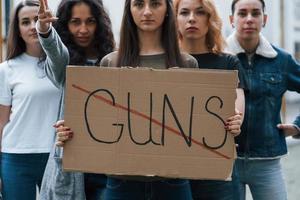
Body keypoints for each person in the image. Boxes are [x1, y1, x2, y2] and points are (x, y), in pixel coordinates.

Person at [57, 0, 198, 199]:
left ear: (167, 10)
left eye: (155, 4)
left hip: (173, 182)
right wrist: (72, 132)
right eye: (139, 4)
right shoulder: (110, 62)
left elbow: (196, 123)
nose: (147, 11)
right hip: (121, 182)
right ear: (129, 10)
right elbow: (100, 123)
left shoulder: (187, 63)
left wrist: (228, 126)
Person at [36, 0, 115, 199]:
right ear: (65, 25)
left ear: (99, 23)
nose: (83, 29)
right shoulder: (64, 66)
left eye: (90, 21)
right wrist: (45, 30)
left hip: (108, 166)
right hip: (71, 166)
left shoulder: (114, 60)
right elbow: (56, 54)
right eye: (75, 22)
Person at [227, 0, 300, 199]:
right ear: (232, 19)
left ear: (264, 19)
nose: (249, 19)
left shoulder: (282, 60)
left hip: (267, 160)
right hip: (226, 161)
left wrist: (298, 126)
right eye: (242, 13)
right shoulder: (220, 59)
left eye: (255, 13)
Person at [174, 0, 245, 199]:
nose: (191, 18)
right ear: (175, 20)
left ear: (210, 19)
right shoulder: (166, 63)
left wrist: (236, 120)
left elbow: (236, 109)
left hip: (217, 169)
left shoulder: (228, 61)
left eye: (200, 12)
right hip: (174, 169)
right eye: (184, 13)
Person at [0, 1, 63, 199]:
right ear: (18, 30)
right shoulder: (6, 69)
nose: (32, 26)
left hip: (56, 153)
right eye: (25, 22)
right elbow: (1, 122)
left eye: (37, 19)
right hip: (16, 155)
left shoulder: (62, 63)